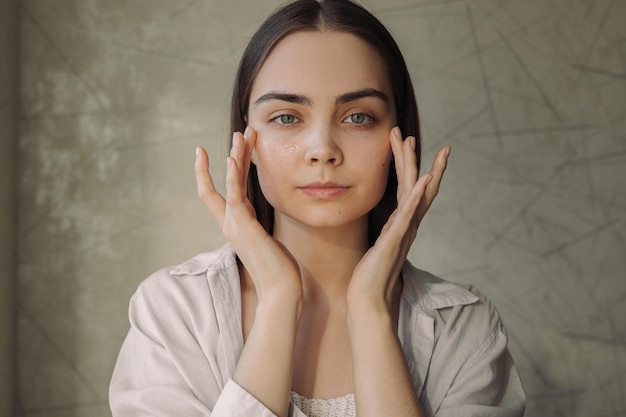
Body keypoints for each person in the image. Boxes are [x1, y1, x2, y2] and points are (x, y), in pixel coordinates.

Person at [109, 0, 526, 416]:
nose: (323, 150)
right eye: (287, 118)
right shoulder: (174, 313)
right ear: (246, 141)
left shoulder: (464, 329)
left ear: (400, 138)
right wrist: (278, 298)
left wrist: (369, 309)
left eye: (358, 117)